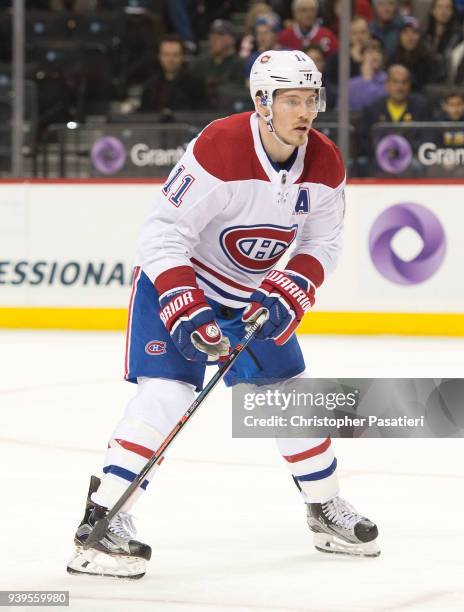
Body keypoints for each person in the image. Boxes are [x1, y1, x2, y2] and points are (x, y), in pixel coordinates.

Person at [66, 49, 380, 579]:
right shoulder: (220, 147)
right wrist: (184, 304)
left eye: (312, 99)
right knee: (167, 393)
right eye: (292, 100)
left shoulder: (325, 162)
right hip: (181, 282)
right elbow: (163, 232)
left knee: (290, 394)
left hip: (251, 296)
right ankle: (102, 521)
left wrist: (290, 288)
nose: (306, 111)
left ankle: (325, 507)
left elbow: (324, 240)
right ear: (262, 102)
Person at [139, 34, 207, 115]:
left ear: (182, 56)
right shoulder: (150, 85)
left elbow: (202, 116)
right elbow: (143, 115)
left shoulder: (196, 85)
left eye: (175, 55)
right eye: (166, 55)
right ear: (159, 56)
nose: (170, 60)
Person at [189, 19, 245, 108]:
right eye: (212, 34)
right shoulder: (199, 63)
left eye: (220, 34)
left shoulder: (240, 64)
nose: (214, 38)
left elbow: (238, 92)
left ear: (232, 39)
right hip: (200, 111)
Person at [388, 16, 445, 92]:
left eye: (414, 32)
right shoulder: (392, 59)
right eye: (405, 32)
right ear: (399, 36)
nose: (410, 37)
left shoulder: (431, 60)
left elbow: (433, 88)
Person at [348, 40, 387, 111]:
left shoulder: (388, 81)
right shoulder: (351, 84)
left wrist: (367, 80)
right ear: (362, 56)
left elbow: (375, 105)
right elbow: (340, 110)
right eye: (370, 52)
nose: (375, 55)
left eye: (378, 52)